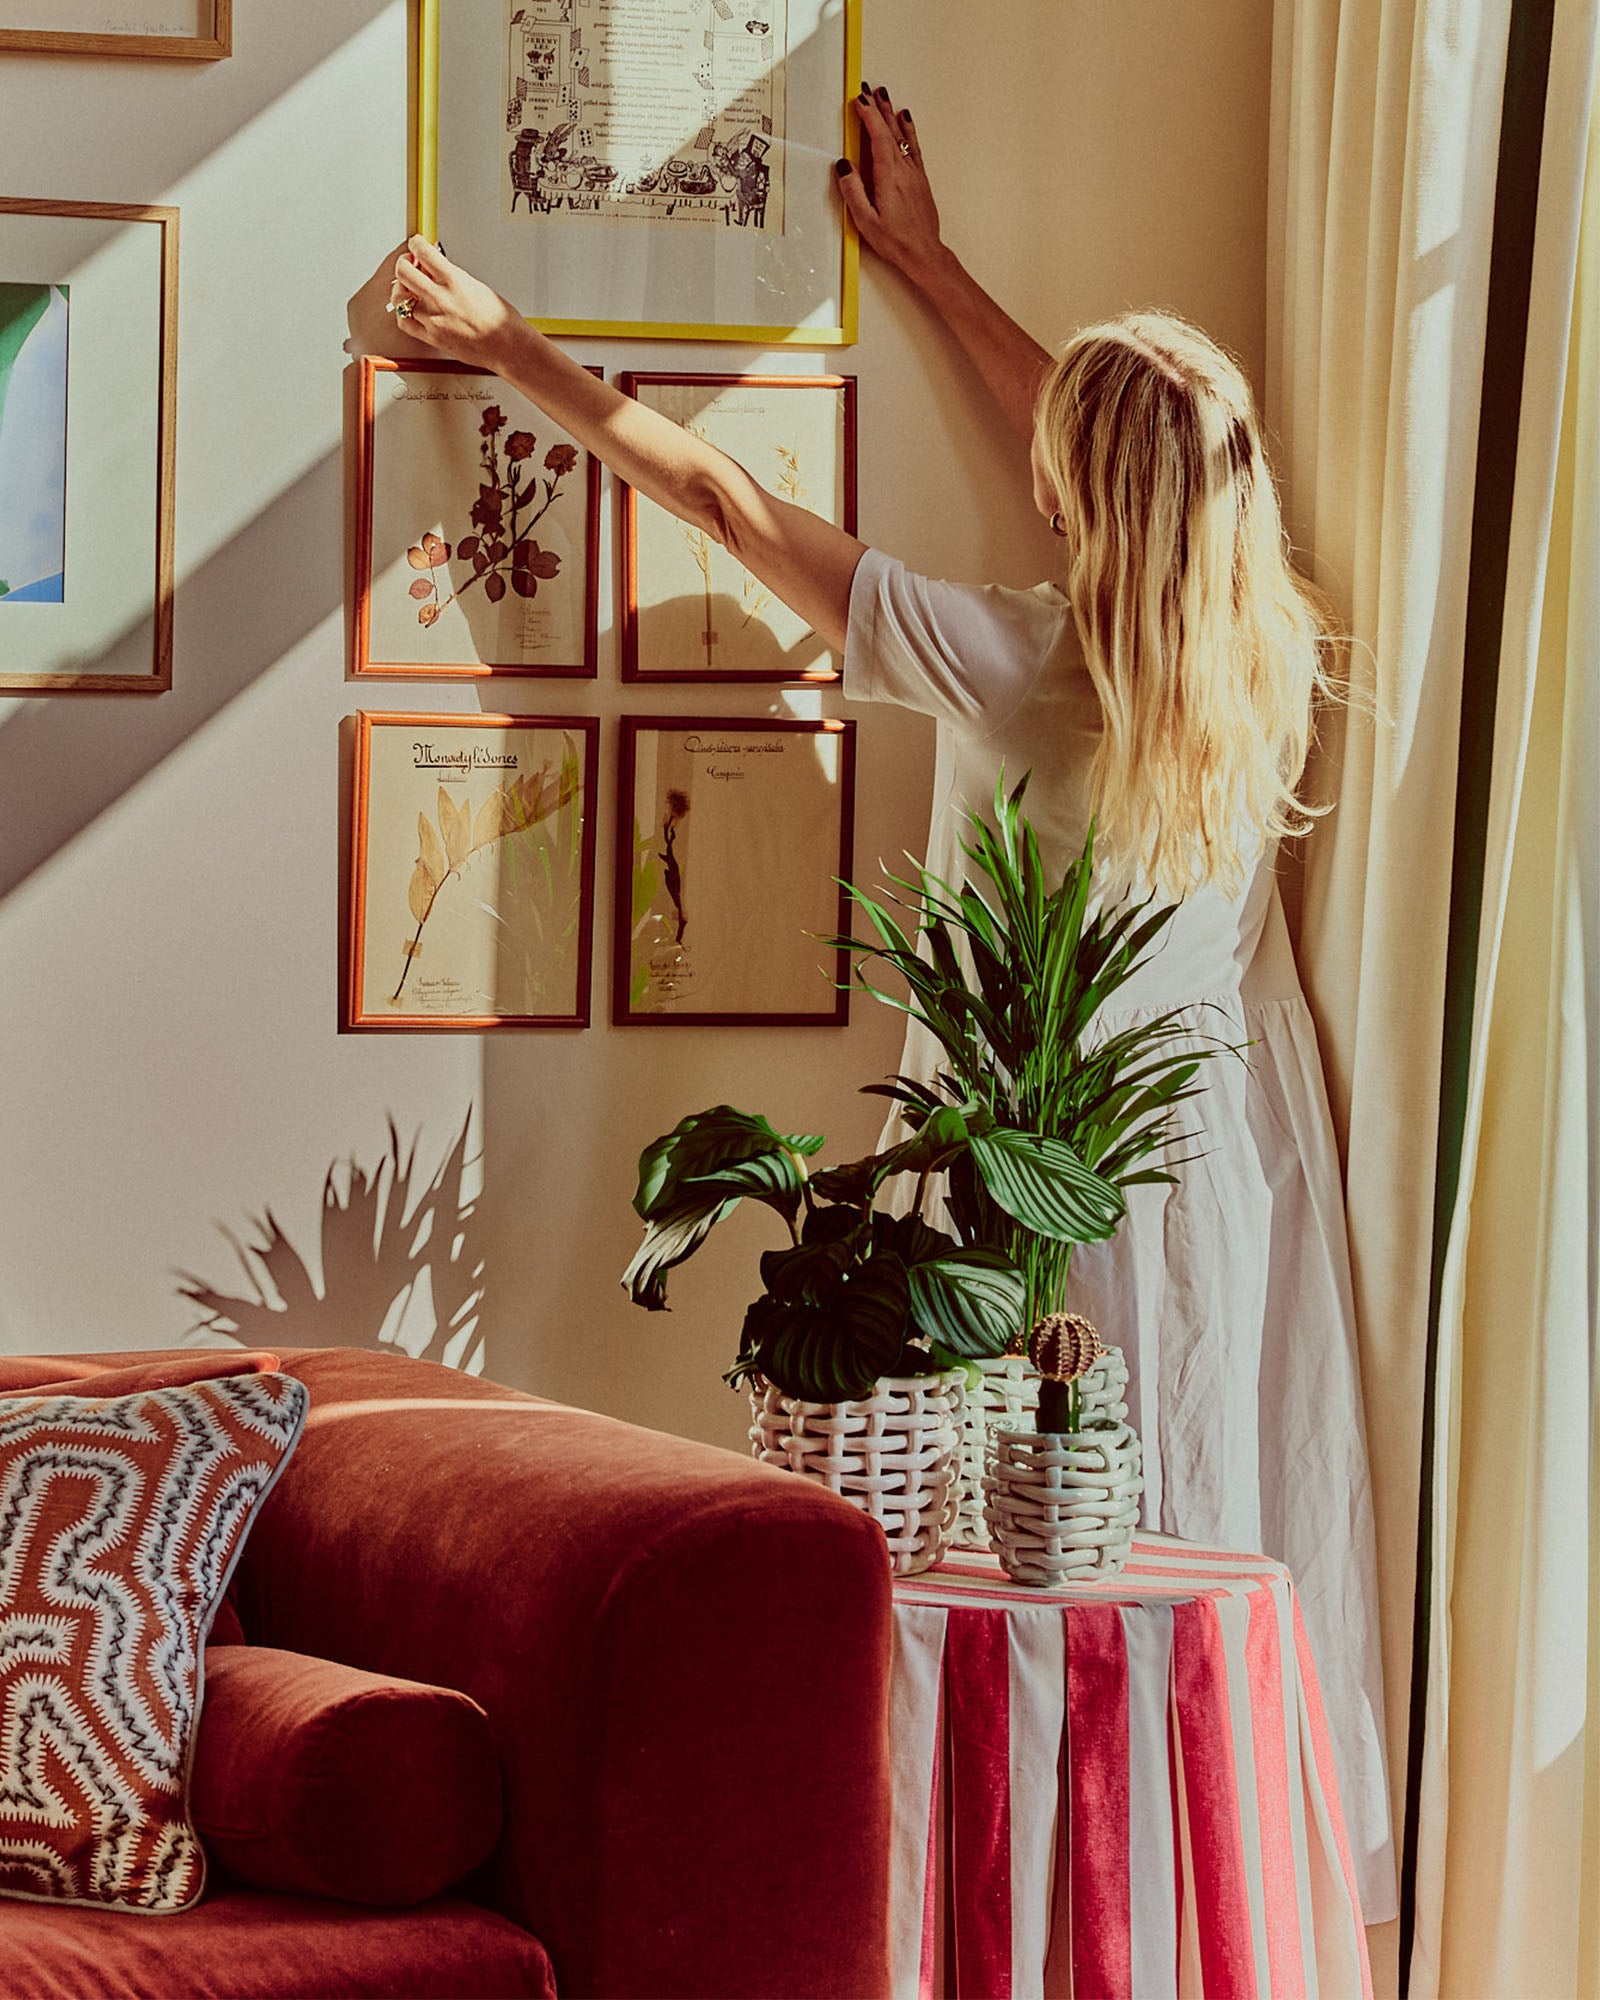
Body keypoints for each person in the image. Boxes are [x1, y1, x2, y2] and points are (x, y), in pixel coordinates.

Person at [386, 81, 1395, 1916]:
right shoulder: (1267, 663)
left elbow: (713, 490)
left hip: (1032, 1201)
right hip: (1209, 1182)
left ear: (1090, 489)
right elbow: (1125, 460)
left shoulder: (1016, 664)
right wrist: (927, 265)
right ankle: (1168, 1913)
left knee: (1002, 1583)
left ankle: (972, 1909)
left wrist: (499, 338)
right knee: (1159, 1581)